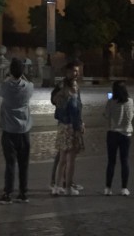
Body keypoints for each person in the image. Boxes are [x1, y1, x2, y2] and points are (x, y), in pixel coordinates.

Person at [0, 57, 34, 203]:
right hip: (24, 130)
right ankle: (23, 192)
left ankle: (8, 192)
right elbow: (29, 82)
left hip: (9, 130)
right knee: (24, 164)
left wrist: (9, 76)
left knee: (10, 163)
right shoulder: (28, 87)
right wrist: (21, 75)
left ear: (10, 71)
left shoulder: (6, 87)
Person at [52, 61, 84, 196]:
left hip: (66, 125)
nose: (76, 73)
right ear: (68, 72)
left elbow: (78, 106)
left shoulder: (74, 86)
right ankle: (67, 187)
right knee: (69, 159)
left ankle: (58, 186)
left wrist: (81, 122)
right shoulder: (65, 87)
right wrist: (78, 125)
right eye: (74, 71)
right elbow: (72, 108)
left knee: (63, 158)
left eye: (77, 71)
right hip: (69, 126)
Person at [104, 81, 134, 196]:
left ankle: (108, 188)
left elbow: (106, 115)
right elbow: (131, 116)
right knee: (124, 161)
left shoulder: (111, 102)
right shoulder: (130, 101)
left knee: (111, 162)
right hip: (125, 134)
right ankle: (124, 188)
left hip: (112, 133)